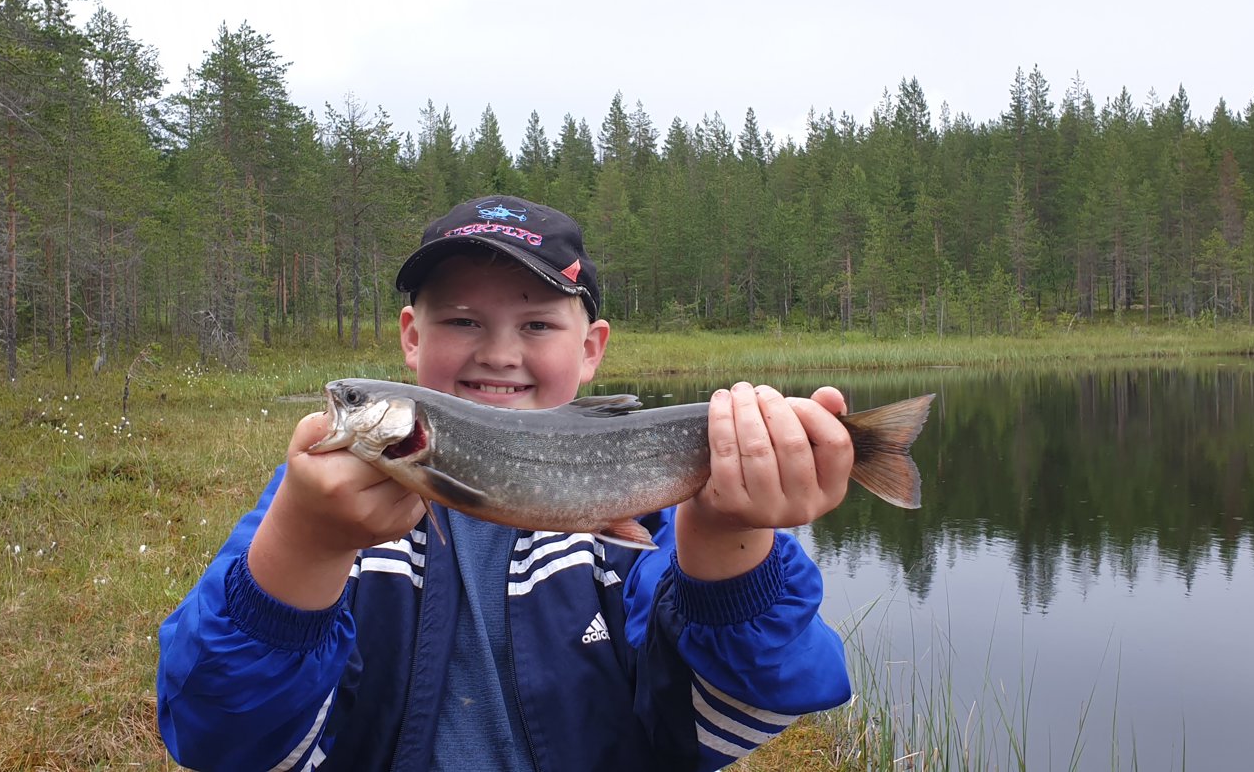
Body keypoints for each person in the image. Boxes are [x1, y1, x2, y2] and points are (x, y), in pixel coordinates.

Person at [157, 195, 857, 771]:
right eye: (461, 320)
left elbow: (736, 715)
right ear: (411, 336)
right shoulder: (325, 513)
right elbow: (219, 739)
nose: (497, 352)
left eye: (536, 323)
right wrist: (302, 551)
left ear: (591, 349)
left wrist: (728, 543)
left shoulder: (652, 535)